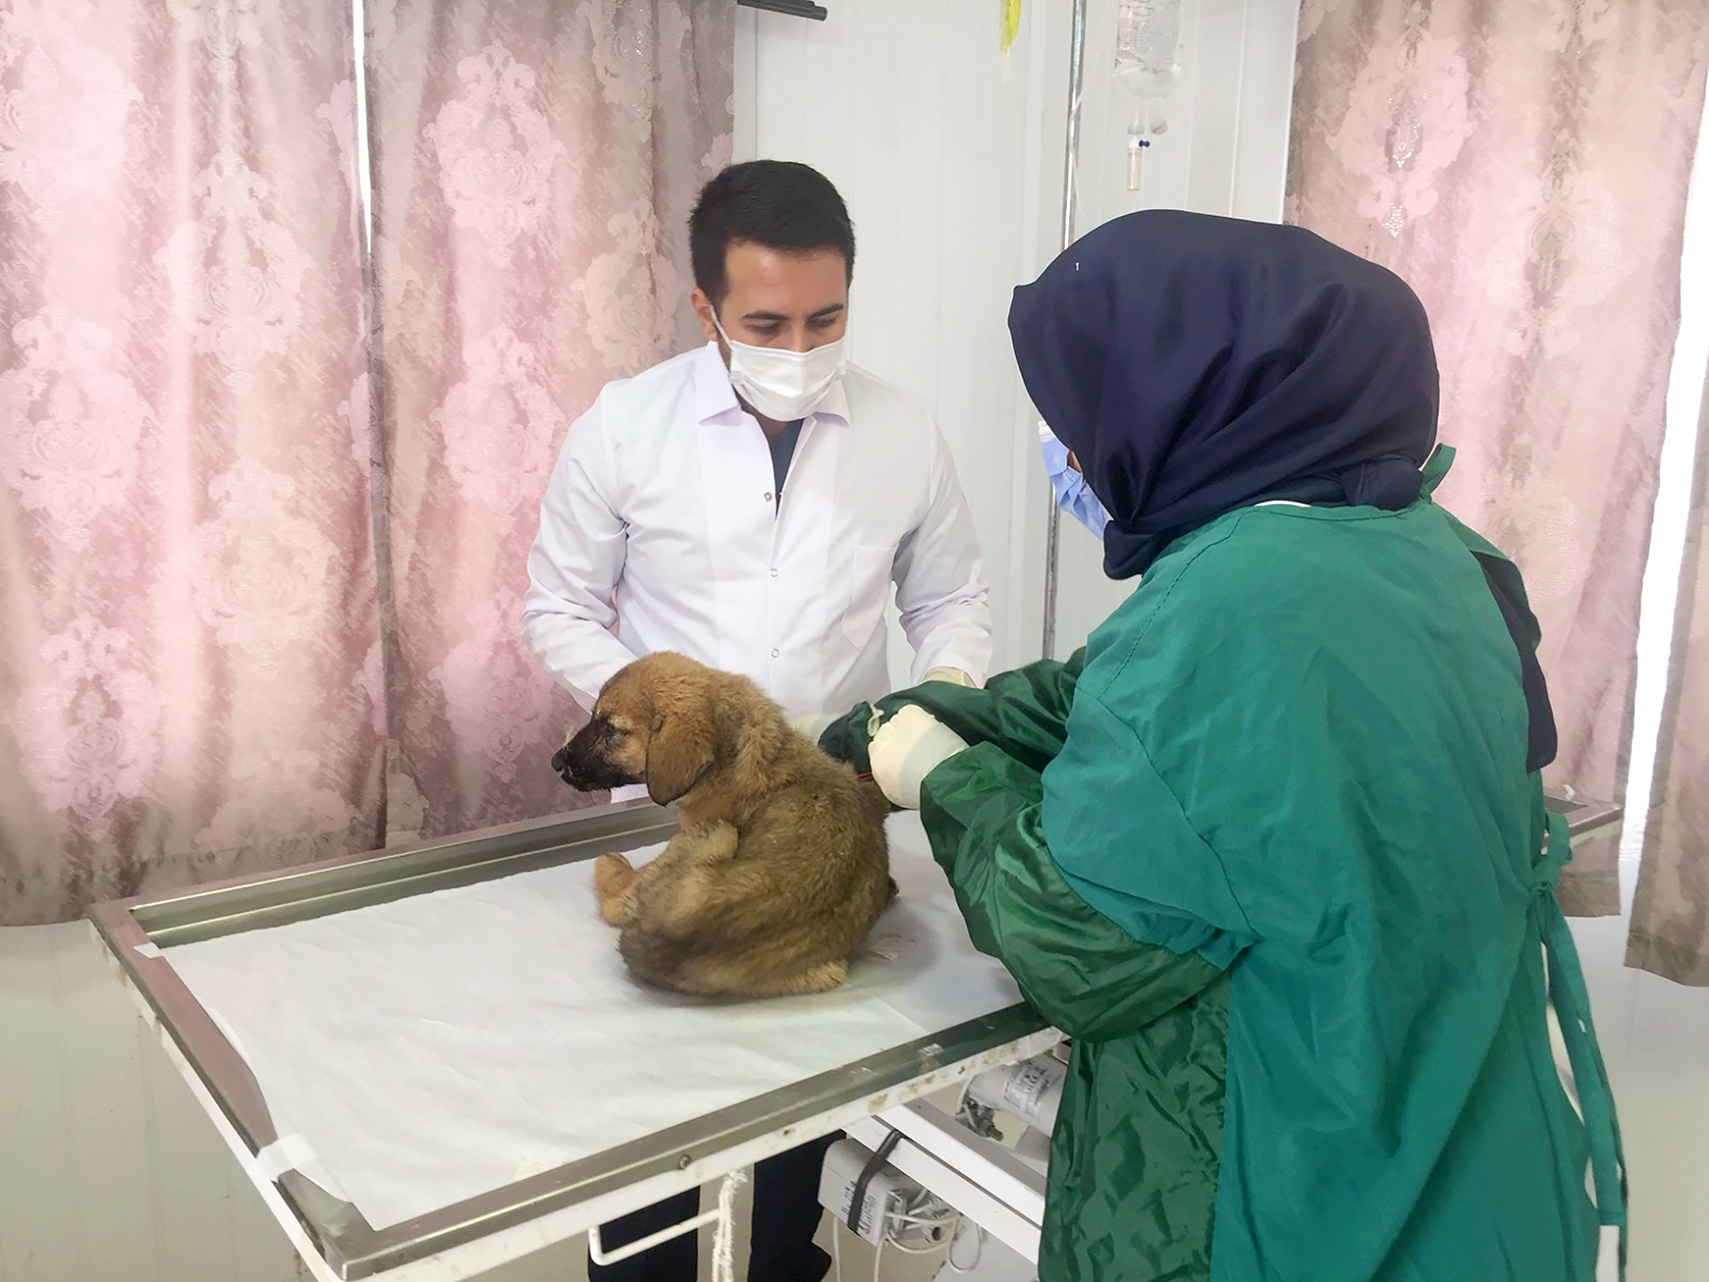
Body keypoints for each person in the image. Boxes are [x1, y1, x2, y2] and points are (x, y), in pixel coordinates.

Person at [820, 210, 1625, 1281]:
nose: (1071, 454)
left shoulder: (1229, 602)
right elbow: (1129, 709)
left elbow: (1077, 943)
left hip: (1294, 1186)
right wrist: (932, 713)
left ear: (1178, 400)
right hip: (1469, 1153)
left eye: (1079, 419)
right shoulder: (1433, 552)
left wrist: (942, 775)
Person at [521, 160, 993, 1282]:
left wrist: (933, 710)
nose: (799, 346)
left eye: (825, 319)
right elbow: (558, 605)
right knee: (649, 1140)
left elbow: (949, 601)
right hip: (678, 809)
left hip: (828, 813)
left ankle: (779, 1254)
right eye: (766, 324)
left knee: (790, 1129)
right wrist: (667, 722)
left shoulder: (903, 432)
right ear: (705, 308)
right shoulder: (625, 427)